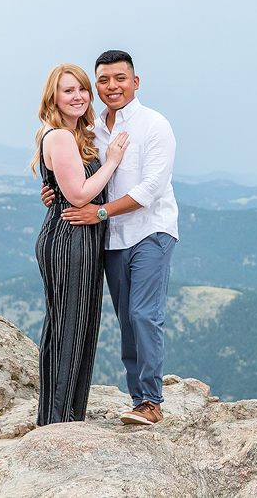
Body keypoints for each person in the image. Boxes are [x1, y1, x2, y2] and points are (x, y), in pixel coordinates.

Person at [41, 50, 178, 426]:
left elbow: (151, 188)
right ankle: (138, 399)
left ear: (135, 82)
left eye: (120, 78)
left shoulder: (154, 125)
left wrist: (99, 212)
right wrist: (51, 188)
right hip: (112, 240)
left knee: (143, 315)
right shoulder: (92, 128)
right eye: (103, 80)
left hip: (151, 231)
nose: (111, 86)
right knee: (126, 321)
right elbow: (78, 175)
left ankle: (151, 401)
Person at [31, 63, 129, 425]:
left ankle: (68, 415)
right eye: (68, 90)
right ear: (53, 97)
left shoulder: (76, 135)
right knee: (69, 326)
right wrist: (113, 163)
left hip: (80, 238)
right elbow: (79, 195)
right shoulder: (59, 136)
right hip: (70, 238)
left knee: (80, 325)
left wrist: (51, 191)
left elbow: (63, 186)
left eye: (82, 90)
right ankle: (56, 421)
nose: (78, 96)